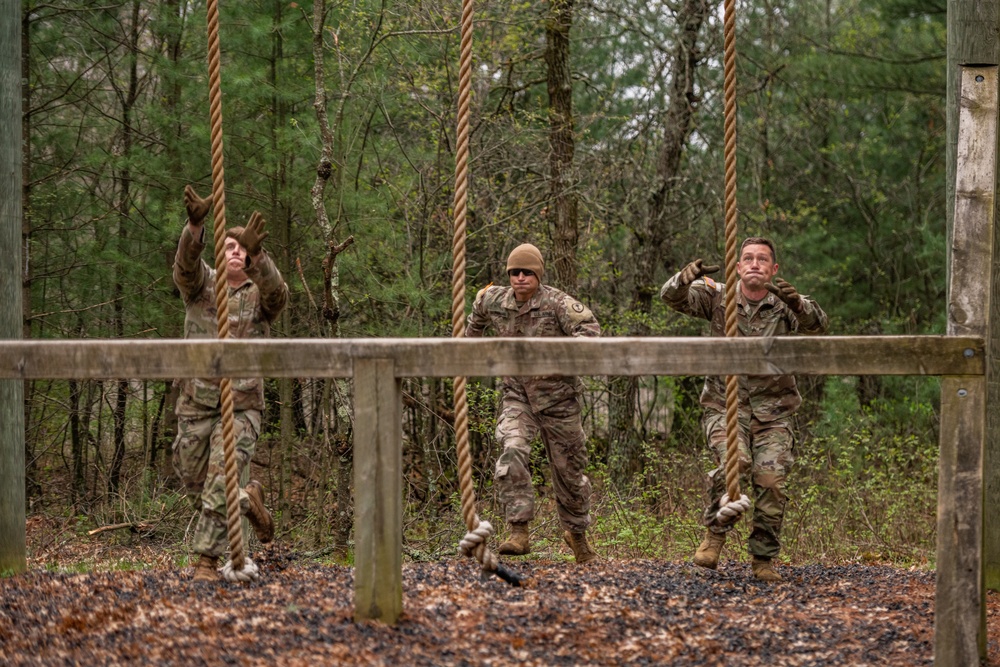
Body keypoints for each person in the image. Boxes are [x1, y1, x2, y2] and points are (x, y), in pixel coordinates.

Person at [660, 237, 828, 581]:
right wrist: (683, 278)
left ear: (774, 268)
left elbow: (818, 325)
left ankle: (762, 559)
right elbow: (671, 298)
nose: (755, 264)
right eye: (748, 258)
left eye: (762, 259)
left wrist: (797, 304)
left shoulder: (785, 304)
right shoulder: (717, 296)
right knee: (736, 461)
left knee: (771, 481)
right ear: (737, 267)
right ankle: (714, 535)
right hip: (725, 406)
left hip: (773, 414)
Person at [172, 185, 289, 582]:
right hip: (194, 402)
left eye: (242, 248)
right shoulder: (201, 286)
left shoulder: (259, 295)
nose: (236, 251)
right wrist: (195, 226)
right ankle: (248, 499)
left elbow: (279, 294)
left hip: (241, 407)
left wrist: (261, 257)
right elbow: (184, 267)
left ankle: (204, 563)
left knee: (220, 481)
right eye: (229, 247)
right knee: (196, 483)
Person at [465, 243, 601, 564]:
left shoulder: (557, 303)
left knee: (570, 473)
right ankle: (519, 529)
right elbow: (474, 323)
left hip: (559, 398)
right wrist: (468, 349)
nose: (521, 278)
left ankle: (577, 536)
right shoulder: (492, 299)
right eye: (515, 272)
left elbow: (591, 332)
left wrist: (562, 357)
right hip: (518, 394)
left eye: (527, 272)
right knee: (511, 450)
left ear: (538, 275)